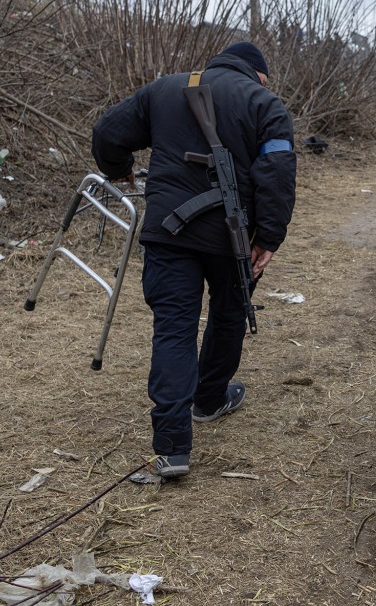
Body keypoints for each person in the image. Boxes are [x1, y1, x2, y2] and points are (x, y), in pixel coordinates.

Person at [90, 42, 297, 480]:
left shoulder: (162, 90)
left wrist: (119, 167)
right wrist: (271, 237)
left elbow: (108, 132)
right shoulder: (265, 103)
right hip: (233, 238)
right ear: (258, 74)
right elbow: (277, 173)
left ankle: (171, 447)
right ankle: (209, 399)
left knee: (174, 328)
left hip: (169, 233)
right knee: (228, 315)